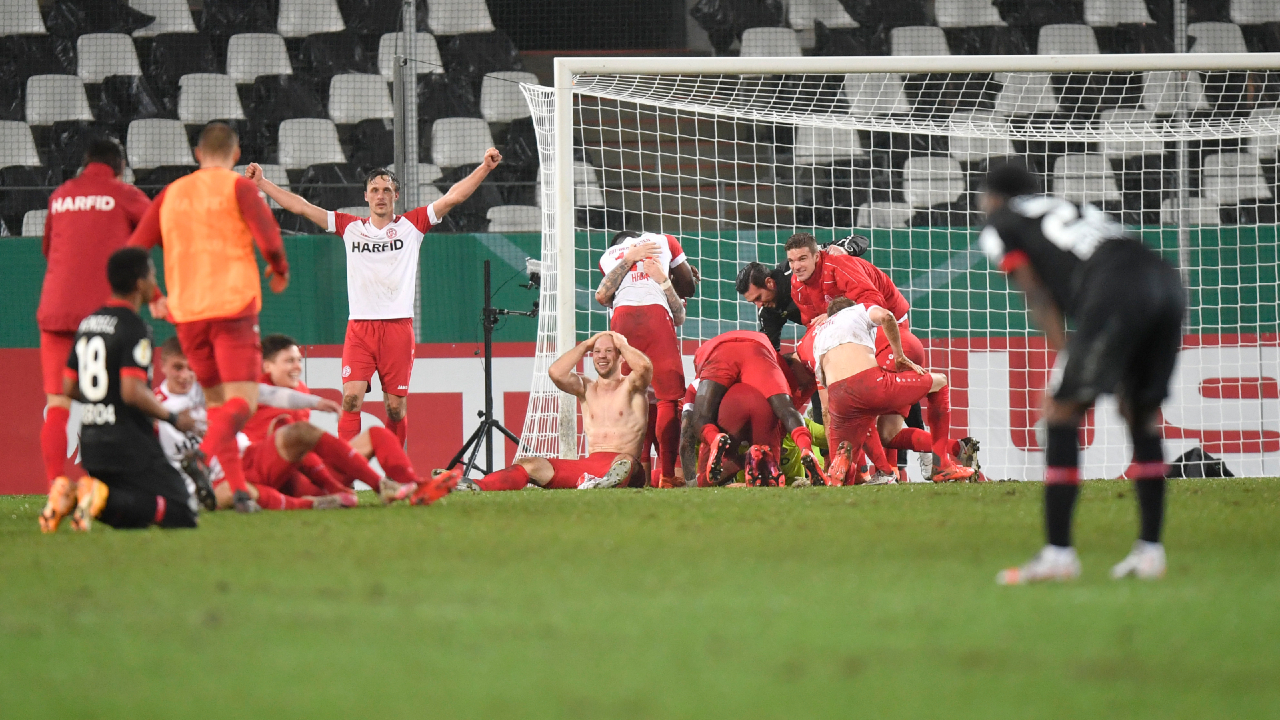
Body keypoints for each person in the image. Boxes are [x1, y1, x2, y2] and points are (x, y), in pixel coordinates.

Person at [979, 164, 1186, 585]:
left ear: (994, 197)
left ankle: (1058, 555)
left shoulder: (1000, 224)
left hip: (1114, 287)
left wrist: (1063, 351)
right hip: (1165, 280)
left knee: (1059, 413)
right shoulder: (1068, 205)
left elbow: (1033, 288)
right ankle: (1150, 553)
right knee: (1140, 414)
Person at [244, 149, 504, 447]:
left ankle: (394, 468)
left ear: (396, 195)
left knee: (395, 408)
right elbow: (302, 207)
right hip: (360, 330)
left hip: (397, 329)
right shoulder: (350, 227)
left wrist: (484, 167)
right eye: (375, 190)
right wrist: (263, 183)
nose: (381, 195)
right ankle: (348, 470)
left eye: (387, 190)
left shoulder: (412, 226)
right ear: (366, 196)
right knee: (351, 400)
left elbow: (453, 197)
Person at [128, 122, 290, 514]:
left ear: (197, 154)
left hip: (187, 316)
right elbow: (268, 236)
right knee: (244, 403)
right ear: (235, 155)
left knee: (218, 407)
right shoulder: (239, 187)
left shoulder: (170, 193)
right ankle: (201, 456)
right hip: (232, 308)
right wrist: (279, 267)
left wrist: (154, 295)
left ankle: (236, 492)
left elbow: (134, 250)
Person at [36, 138, 154, 531]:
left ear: (85, 163)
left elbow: (48, 249)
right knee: (118, 401)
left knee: (57, 403)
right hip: (103, 314)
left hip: (55, 311)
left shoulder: (60, 195)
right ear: (119, 166)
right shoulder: (123, 194)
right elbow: (155, 231)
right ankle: (106, 487)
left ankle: (58, 488)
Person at [42, 248, 199, 531]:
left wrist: (103, 400)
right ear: (140, 283)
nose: (154, 280)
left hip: (92, 444)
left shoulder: (88, 324)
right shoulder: (134, 327)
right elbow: (131, 391)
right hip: (129, 444)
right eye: (152, 273)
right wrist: (174, 419)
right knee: (182, 511)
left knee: (133, 517)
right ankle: (83, 494)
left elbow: (68, 386)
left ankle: (75, 495)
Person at [154, 337, 353, 510]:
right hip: (211, 486)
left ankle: (343, 486)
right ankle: (312, 503)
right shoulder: (155, 408)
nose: (185, 375)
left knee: (296, 433)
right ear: (162, 366)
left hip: (247, 461)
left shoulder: (211, 389)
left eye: (191, 368)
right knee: (233, 490)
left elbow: (266, 393)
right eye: (177, 368)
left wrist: (316, 402)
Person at [244, 334, 429, 503]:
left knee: (376, 434)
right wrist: (330, 483)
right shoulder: (253, 394)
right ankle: (375, 486)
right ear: (267, 366)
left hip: (313, 474)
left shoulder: (299, 388)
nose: (297, 367)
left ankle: (413, 485)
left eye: (299, 360)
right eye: (289, 361)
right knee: (292, 430)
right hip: (286, 483)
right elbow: (297, 450)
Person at [809, 297, 975, 486]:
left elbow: (825, 402)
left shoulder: (817, 336)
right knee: (939, 383)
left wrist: (834, 445)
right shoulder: (859, 312)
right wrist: (900, 356)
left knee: (857, 440)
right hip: (875, 376)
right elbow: (887, 316)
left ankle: (847, 468)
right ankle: (941, 464)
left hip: (840, 394)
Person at [466, 332, 648, 491]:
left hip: (627, 464)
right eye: (597, 351)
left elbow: (644, 367)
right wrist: (585, 345)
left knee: (623, 462)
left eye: (609, 351)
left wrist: (622, 343)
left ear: (620, 356)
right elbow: (556, 372)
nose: (602, 356)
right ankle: (478, 485)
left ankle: (603, 482)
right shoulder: (586, 388)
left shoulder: (631, 386)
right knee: (528, 464)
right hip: (590, 465)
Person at [595, 230, 696, 488]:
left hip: (621, 323)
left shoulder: (608, 257)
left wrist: (629, 261)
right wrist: (672, 279)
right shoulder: (664, 240)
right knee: (668, 399)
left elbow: (603, 296)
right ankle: (667, 475)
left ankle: (636, 471)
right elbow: (688, 290)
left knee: (634, 395)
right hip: (655, 315)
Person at [681, 330, 825, 487]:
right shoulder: (780, 374)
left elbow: (686, 435)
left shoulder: (697, 384)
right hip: (759, 350)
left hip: (718, 353)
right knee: (786, 412)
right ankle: (806, 449)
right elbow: (787, 414)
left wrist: (689, 480)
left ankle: (715, 439)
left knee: (701, 419)